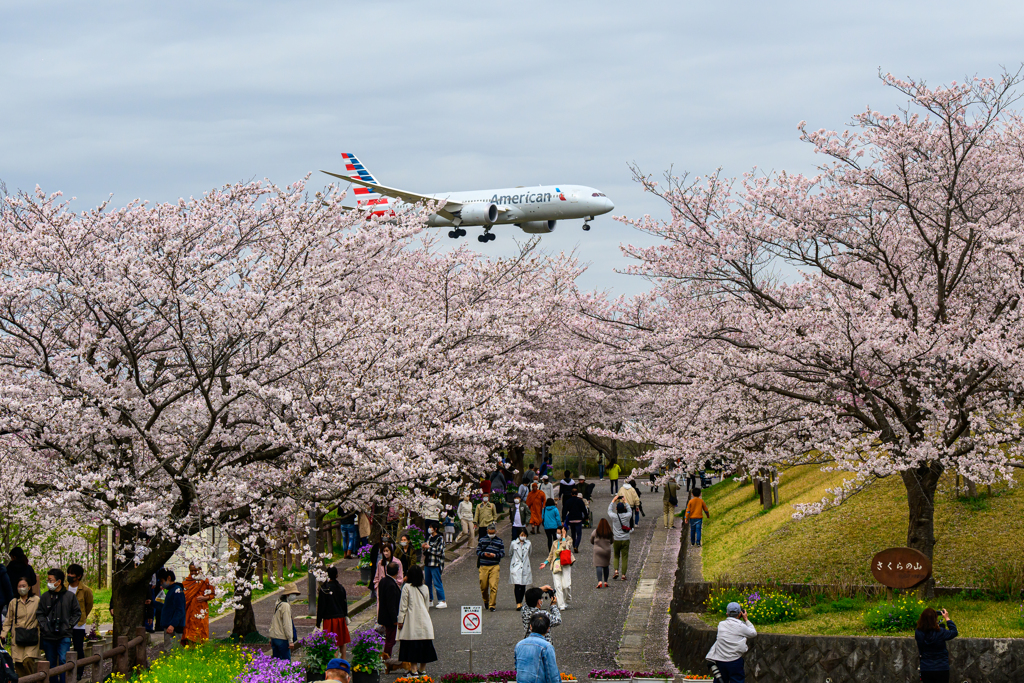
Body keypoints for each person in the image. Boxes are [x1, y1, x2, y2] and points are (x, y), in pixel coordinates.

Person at [37, 568, 80, 683]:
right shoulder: (45, 597)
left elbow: (77, 613)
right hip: (48, 635)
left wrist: (68, 625)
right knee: (50, 664)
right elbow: (39, 614)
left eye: (51, 580)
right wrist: (45, 627)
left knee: (63, 661)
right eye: (48, 580)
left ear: (59, 582)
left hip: (64, 634)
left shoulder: (70, 596)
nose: (49, 582)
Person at [397, 565, 437, 675]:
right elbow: (426, 606)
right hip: (424, 619)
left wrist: (400, 620)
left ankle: (413, 670)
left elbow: (403, 606)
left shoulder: (407, 587)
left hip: (411, 620)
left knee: (412, 645)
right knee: (425, 645)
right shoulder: (425, 588)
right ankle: (422, 669)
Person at [705, 601, 756, 683]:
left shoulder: (721, 624)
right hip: (735, 660)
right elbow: (753, 633)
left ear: (727, 614)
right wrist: (746, 619)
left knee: (719, 681)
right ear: (740, 614)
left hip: (720, 660)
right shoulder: (741, 626)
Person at [0, 577, 40, 677]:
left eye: (23, 586)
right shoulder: (13, 602)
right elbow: (8, 620)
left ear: (29, 587)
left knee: (28, 661)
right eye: (19, 586)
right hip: (18, 637)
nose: (21, 588)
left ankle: (32, 679)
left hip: (32, 636)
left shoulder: (36, 601)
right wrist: (3, 634)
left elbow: (41, 617)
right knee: (19, 665)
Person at [515, 612, 560, 683]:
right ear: (548, 629)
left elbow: (517, 668)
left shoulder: (519, 645)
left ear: (530, 627)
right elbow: (552, 674)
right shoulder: (546, 647)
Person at [916, 607, 958, 683]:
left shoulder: (918, 632)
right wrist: (947, 618)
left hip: (926, 667)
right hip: (942, 666)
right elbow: (954, 632)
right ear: (935, 618)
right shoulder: (941, 632)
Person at [316, 566, 351, 657]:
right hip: (340, 617)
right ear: (337, 575)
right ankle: (343, 661)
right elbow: (344, 603)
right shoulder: (341, 587)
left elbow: (321, 606)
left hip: (329, 619)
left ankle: (334, 664)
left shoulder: (324, 589)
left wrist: (318, 622)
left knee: (332, 643)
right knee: (342, 641)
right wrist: (345, 615)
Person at [539, 527, 574, 610]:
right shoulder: (555, 542)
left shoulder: (569, 540)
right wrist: (546, 562)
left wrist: (564, 536)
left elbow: (565, 547)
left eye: (559, 533)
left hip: (565, 564)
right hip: (556, 565)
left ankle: (567, 600)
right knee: (558, 586)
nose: (557, 534)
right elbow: (551, 554)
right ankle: (561, 605)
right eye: (557, 533)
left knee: (566, 586)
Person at [377, 562, 402, 672]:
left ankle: (386, 660)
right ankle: (386, 661)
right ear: (397, 571)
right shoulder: (392, 585)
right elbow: (391, 604)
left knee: (389, 639)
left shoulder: (383, 581)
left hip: (383, 615)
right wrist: (395, 620)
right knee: (390, 640)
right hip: (389, 617)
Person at [182, 562, 215, 646]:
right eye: (191, 571)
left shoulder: (205, 580)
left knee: (201, 628)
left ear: (200, 570)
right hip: (188, 610)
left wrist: (205, 598)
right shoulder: (186, 582)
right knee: (188, 629)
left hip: (201, 609)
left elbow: (212, 594)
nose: (193, 573)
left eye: (195, 570)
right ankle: (189, 648)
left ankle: (201, 648)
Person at [65, 563, 92, 661]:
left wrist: (82, 616)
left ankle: (79, 672)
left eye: (72, 574)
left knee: (78, 648)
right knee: (65, 648)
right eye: (68, 573)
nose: (69, 576)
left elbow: (89, 605)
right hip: (65, 623)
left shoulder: (85, 590)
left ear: (79, 576)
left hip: (79, 624)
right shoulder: (64, 588)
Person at [476, 523, 505, 612]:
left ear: (495, 532)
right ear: (487, 531)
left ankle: (492, 605)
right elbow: (478, 552)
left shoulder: (499, 541)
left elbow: (502, 553)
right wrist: (484, 554)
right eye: (490, 532)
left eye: (493, 532)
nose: (491, 534)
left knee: (493, 586)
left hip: (494, 565)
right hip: (484, 565)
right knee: (483, 586)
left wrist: (495, 555)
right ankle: (486, 600)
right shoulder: (482, 540)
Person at [269, 587, 300, 661]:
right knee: (286, 663)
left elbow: (274, 621)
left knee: (276, 663)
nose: (294, 596)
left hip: (274, 637)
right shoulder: (285, 606)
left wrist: (271, 637)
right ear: (289, 594)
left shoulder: (278, 603)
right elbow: (287, 624)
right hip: (282, 638)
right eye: (294, 594)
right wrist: (290, 640)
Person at [422, 524, 447, 608]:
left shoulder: (440, 538)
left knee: (437, 582)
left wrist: (428, 547)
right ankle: (429, 600)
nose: (429, 529)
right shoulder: (429, 538)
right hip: (427, 563)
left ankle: (442, 600)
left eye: (431, 527)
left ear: (435, 529)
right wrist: (424, 548)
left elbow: (439, 551)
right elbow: (426, 552)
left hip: (435, 563)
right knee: (427, 583)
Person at [608, 496, 633, 581]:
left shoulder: (614, 517)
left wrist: (613, 500)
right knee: (625, 557)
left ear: (616, 508)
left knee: (616, 555)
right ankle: (623, 575)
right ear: (624, 508)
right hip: (626, 538)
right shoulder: (627, 516)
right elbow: (630, 510)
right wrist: (625, 501)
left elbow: (609, 510)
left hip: (617, 539)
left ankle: (616, 570)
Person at [508, 528, 533, 610]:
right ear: (518, 535)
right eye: (522, 535)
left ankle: (521, 601)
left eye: (525, 535)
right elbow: (510, 553)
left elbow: (530, 553)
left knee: (523, 585)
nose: (523, 537)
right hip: (516, 566)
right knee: (517, 584)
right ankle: (518, 602)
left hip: (525, 565)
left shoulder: (528, 544)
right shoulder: (513, 543)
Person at [159, 570, 186, 643]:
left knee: (171, 650)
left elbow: (179, 610)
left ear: (169, 578)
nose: (161, 584)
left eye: (162, 581)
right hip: (170, 625)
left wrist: (172, 624)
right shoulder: (171, 590)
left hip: (174, 627)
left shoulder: (177, 591)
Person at [590, 518, 613, 588]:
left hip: (598, 551)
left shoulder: (596, 531)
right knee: (606, 565)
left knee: (598, 565)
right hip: (607, 550)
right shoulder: (609, 532)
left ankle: (600, 581)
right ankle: (606, 581)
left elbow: (591, 540)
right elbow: (612, 541)